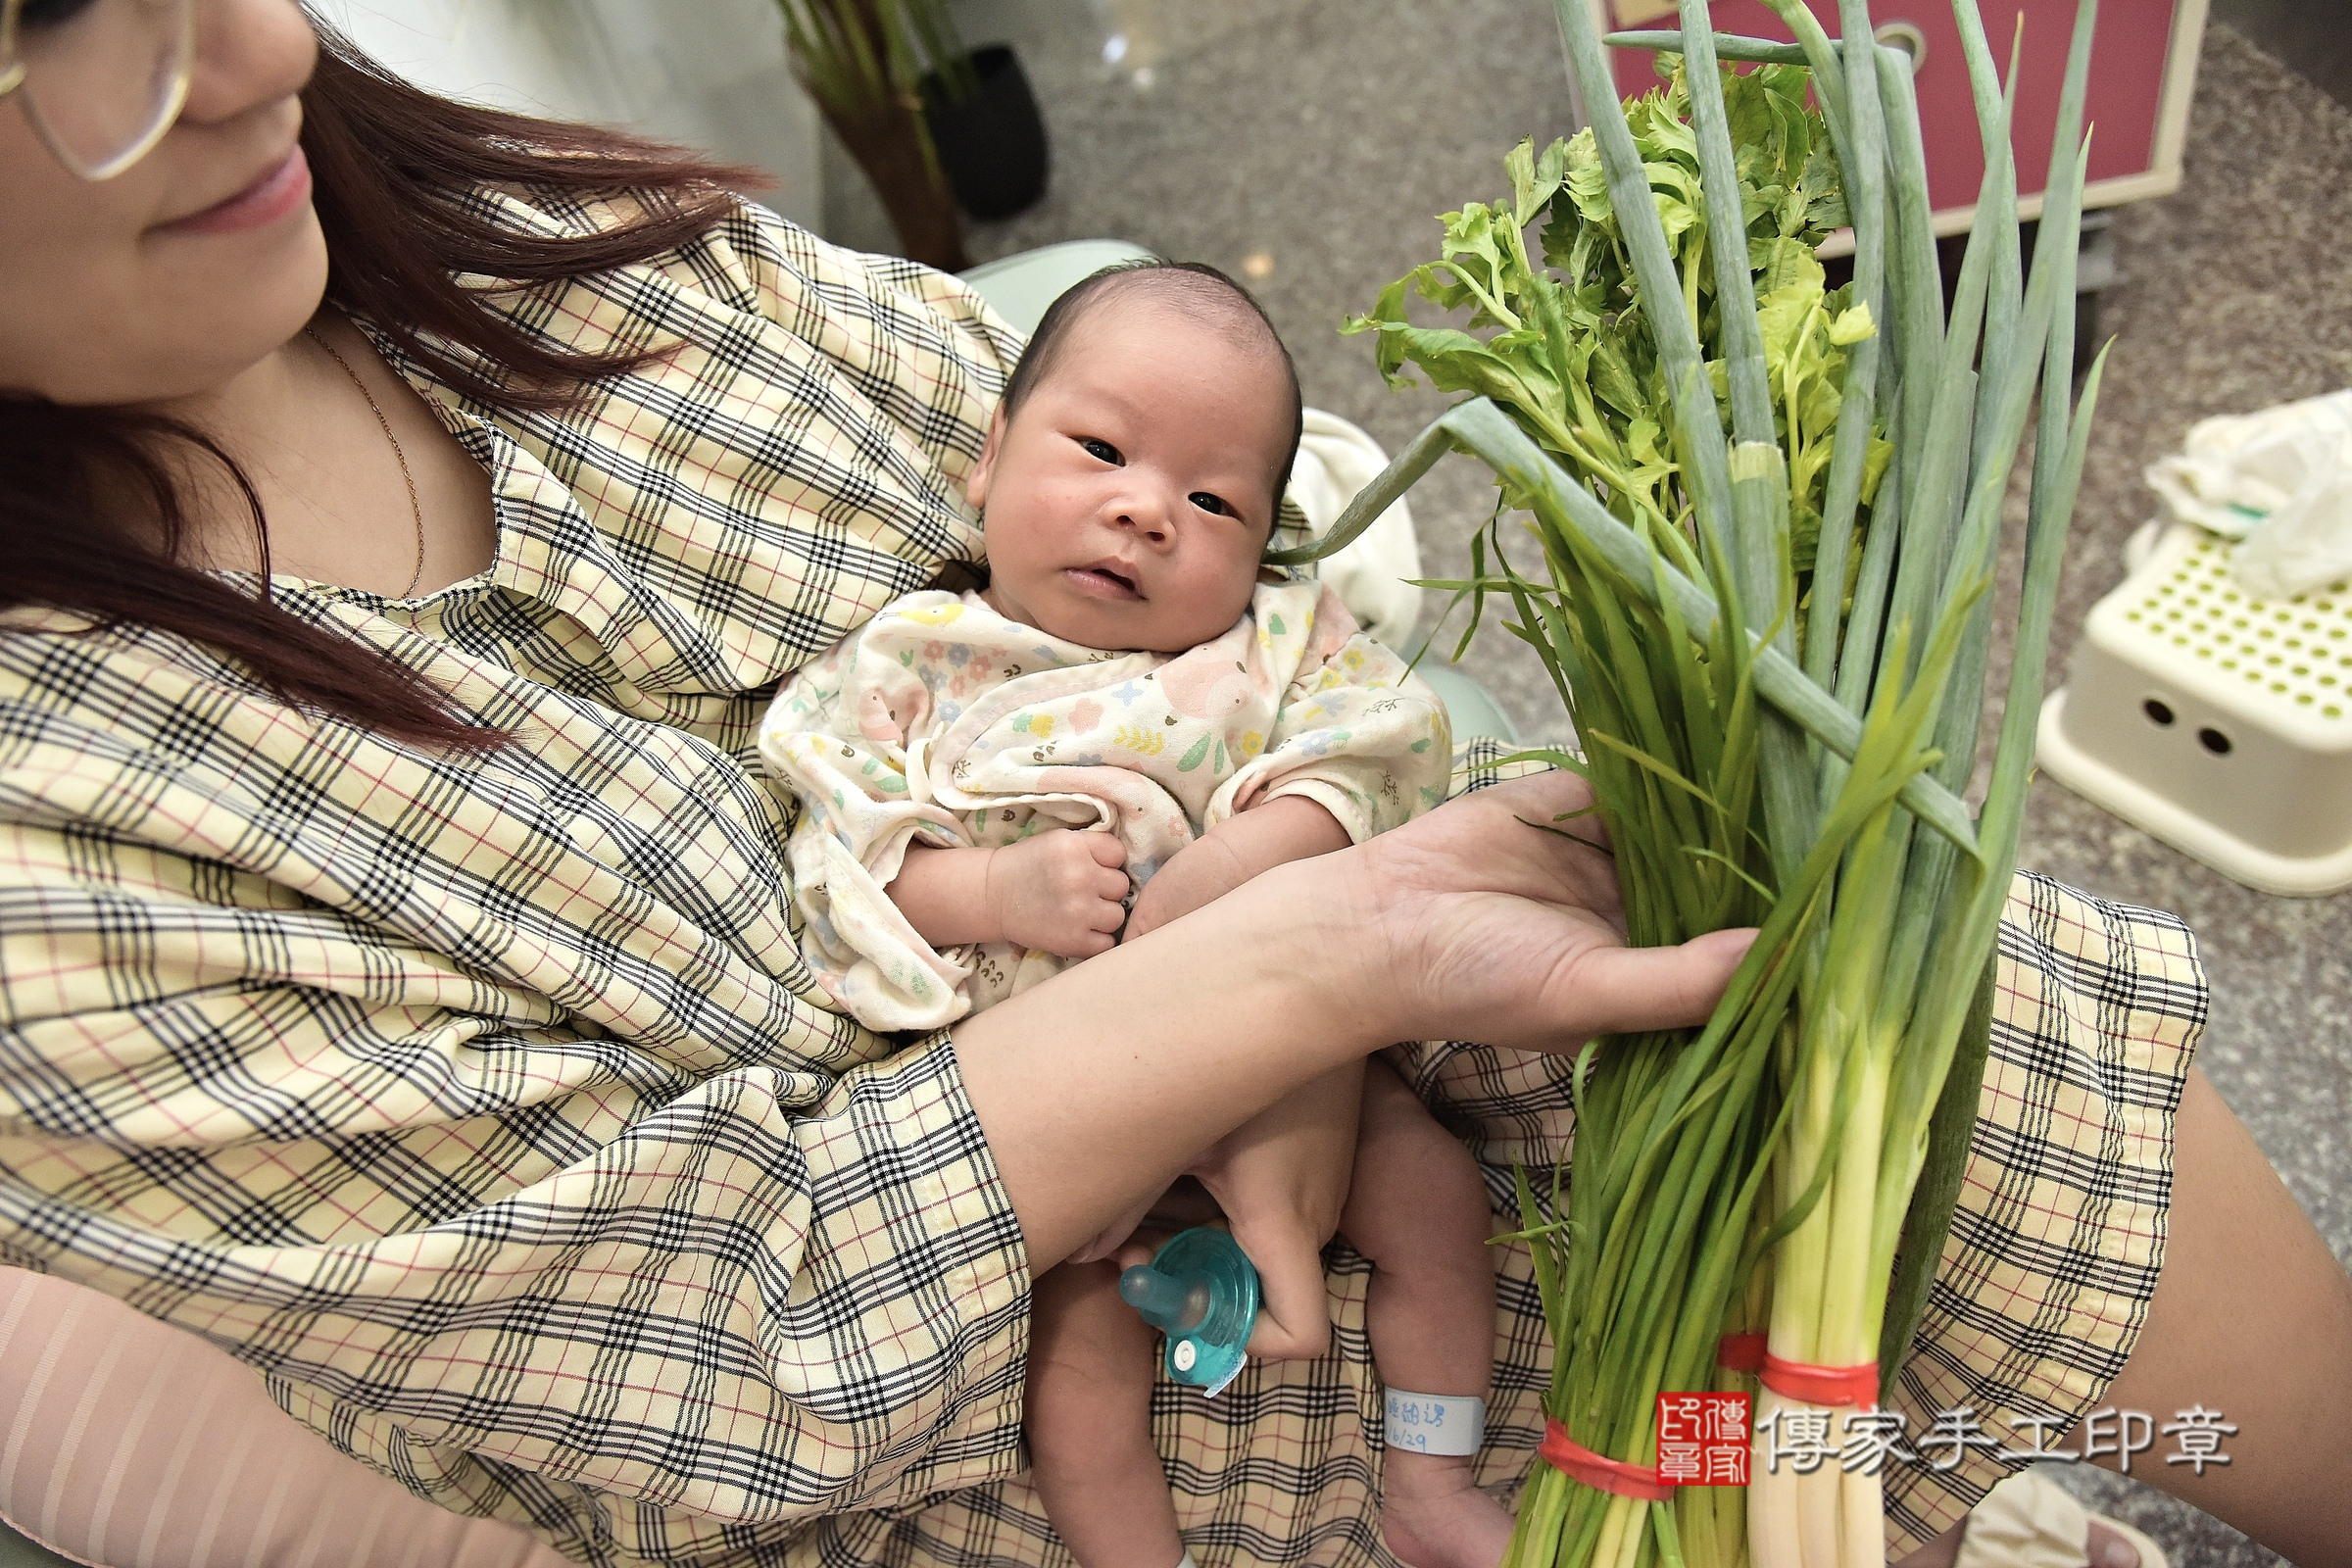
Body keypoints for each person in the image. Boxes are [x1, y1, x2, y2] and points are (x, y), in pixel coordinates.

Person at [1, 6, 2348, 1568]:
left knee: (1909, 971)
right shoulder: (65, 833)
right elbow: (725, 1331)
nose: (255, 48)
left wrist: (1315, 851)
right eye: (45, 19)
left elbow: (1220, 506)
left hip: (1335, 998)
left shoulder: (510, 246)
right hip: (956, 1367)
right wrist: (1277, 963)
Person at [759, 261, 1510, 1568]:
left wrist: (1251, 861)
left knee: (1437, 1199)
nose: (1143, 510)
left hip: (1284, 1051)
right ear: (990, 457)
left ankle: (1432, 1480)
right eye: (1101, 449)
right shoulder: (913, 663)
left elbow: (1390, 747)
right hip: (1072, 1117)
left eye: (1211, 499)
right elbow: (842, 857)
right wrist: (992, 890)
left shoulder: (1270, 643)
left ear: (1266, 540)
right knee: (1076, 1403)